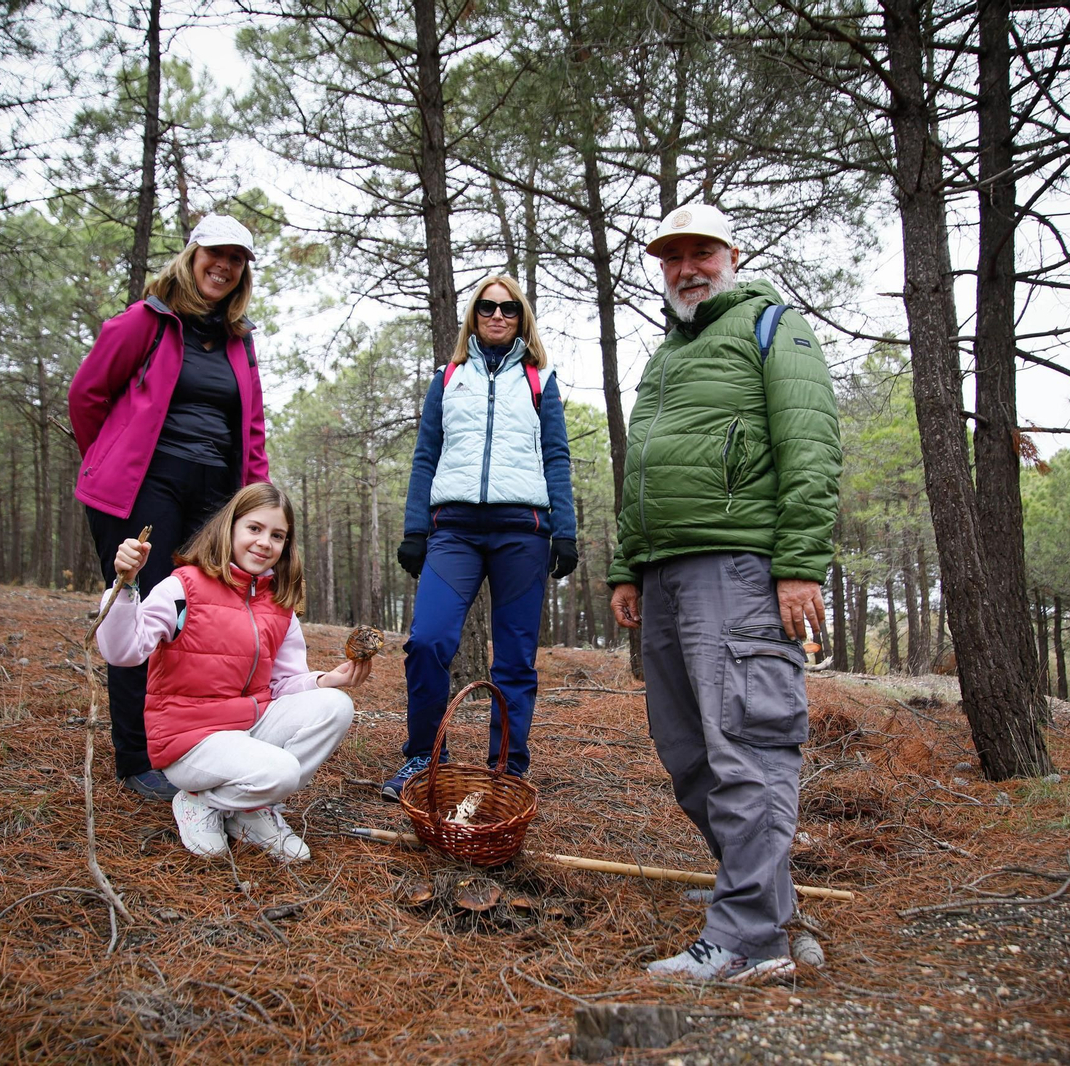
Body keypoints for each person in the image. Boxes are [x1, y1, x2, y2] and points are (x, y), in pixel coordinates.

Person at [608, 204, 841, 984]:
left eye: (700, 252)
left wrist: (800, 562)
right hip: (666, 573)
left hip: (738, 568)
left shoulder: (774, 326)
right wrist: (626, 565)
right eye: (670, 257)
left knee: (746, 744)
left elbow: (811, 443)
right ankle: (772, 913)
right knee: (688, 752)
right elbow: (642, 464)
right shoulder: (665, 358)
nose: (686, 269)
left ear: (732, 255)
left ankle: (746, 938)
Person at [69, 215, 270, 802]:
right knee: (141, 613)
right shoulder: (147, 320)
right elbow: (88, 395)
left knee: (199, 620)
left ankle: (186, 743)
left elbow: (251, 427)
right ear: (192, 255)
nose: (224, 266)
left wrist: (252, 504)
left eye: (237, 259)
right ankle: (135, 757)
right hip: (145, 488)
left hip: (215, 494)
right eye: (216, 253)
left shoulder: (241, 339)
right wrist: (110, 460)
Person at [94, 482, 369, 861]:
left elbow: (283, 683)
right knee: (284, 772)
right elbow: (123, 651)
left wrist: (326, 680)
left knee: (336, 705)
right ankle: (200, 804)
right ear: (230, 528)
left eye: (277, 535)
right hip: (188, 739)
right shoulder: (183, 586)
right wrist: (125, 586)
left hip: (246, 728)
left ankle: (246, 808)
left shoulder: (278, 604)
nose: (264, 543)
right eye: (254, 529)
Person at [385, 275, 578, 800]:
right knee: (427, 642)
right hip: (455, 532)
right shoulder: (449, 377)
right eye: (487, 307)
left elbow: (556, 457)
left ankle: (506, 774)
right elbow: (425, 456)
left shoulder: (541, 379)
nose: (497, 315)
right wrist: (414, 529)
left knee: (514, 659)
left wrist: (565, 530)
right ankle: (424, 759)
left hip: (524, 532)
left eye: (509, 308)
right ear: (473, 315)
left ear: (521, 317)